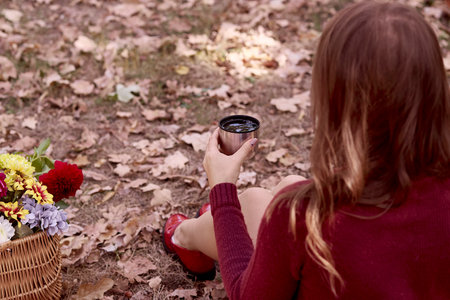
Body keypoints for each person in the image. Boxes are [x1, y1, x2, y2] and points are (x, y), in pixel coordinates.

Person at [163, 1, 450, 299]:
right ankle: (204, 228)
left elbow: (246, 295)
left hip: (297, 233)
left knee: (259, 203)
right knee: (287, 187)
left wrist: (222, 189)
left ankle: (184, 236)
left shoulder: (303, 217)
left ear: (333, 102)